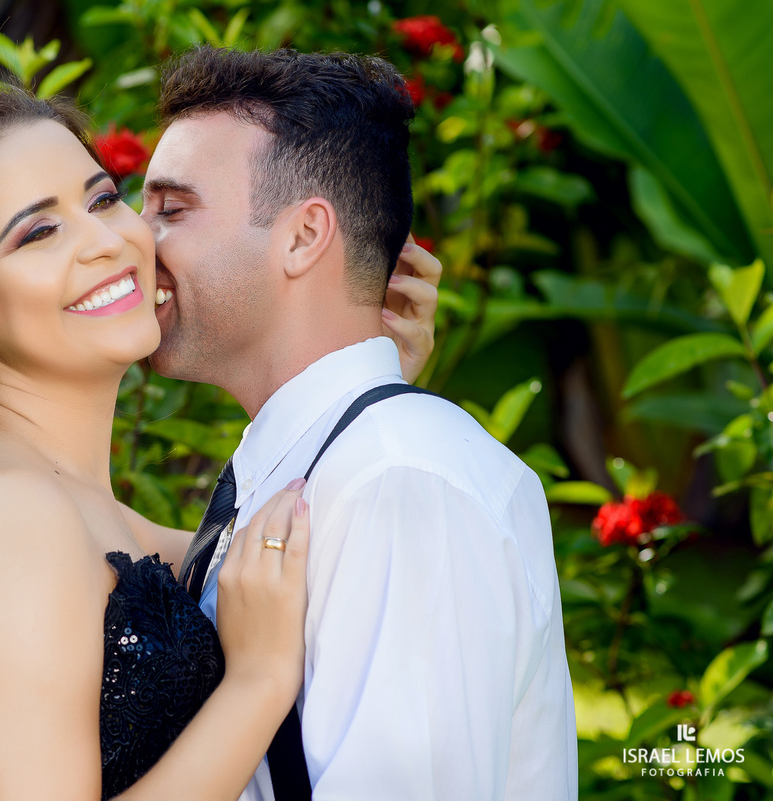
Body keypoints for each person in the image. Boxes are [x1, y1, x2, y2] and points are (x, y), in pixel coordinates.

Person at [0, 81, 438, 801]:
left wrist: (353, 378)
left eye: (104, 199)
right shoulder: (2, 516)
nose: (108, 242)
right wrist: (258, 683)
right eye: (39, 232)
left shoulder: (66, 511)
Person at [128, 47, 578, 799]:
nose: (134, 240)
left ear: (304, 237)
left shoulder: (401, 482)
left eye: (172, 209)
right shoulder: (330, 464)